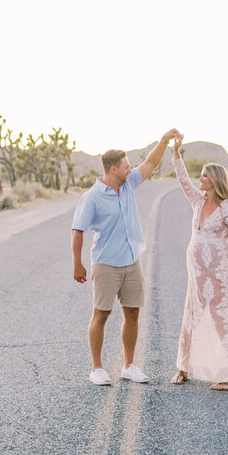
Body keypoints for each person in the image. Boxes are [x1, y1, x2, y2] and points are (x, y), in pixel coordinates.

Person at [72, 128, 180, 386]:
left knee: (132, 313)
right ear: (112, 170)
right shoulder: (92, 198)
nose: (130, 170)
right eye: (126, 166)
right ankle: (97, 368)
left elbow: (151, 162)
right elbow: (77, 231)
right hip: (106, 263)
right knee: (101, 314)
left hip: (132, 262)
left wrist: (164, 141)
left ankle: (128, 366)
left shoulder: (129, 184)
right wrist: (77, 264)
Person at [170, 134, 228, 391]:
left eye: (204, 175)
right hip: (196, 270)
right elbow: (183, 180)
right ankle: (183, 368)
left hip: (220, 270)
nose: (200, 179)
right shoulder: (198, 201)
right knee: (192, 313)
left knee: (220, 317)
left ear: (215, 179)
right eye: (201, 175)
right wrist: (176, 153)